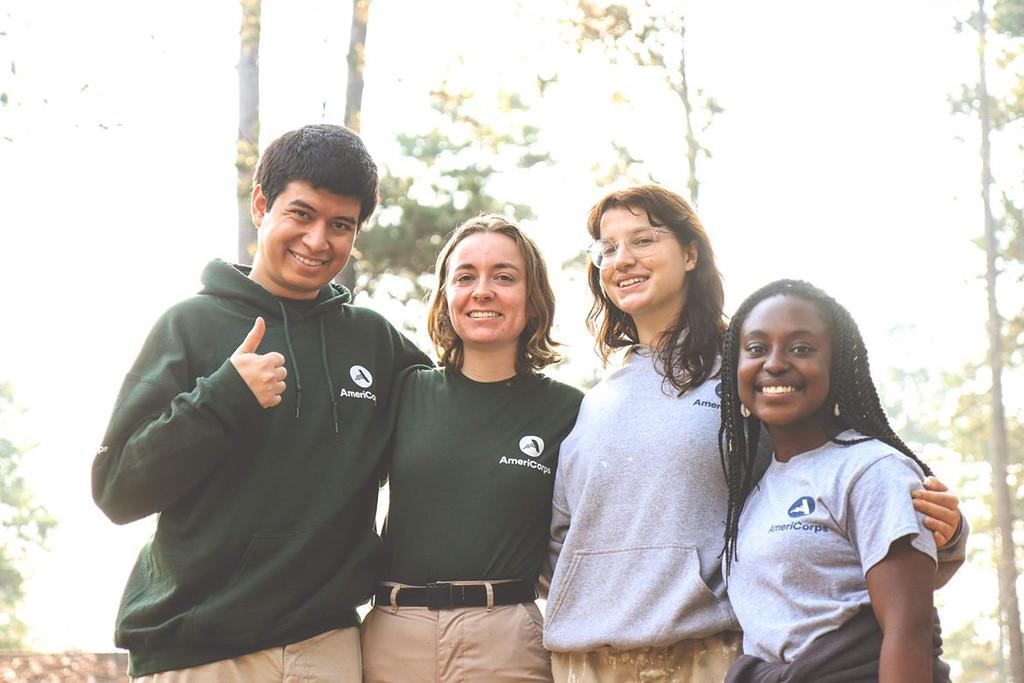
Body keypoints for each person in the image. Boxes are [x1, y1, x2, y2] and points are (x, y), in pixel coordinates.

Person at [543, 185, 966, 683]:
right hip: (589, 658)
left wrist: (948, 532)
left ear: (690, 252)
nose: (623, 260)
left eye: (643, 239)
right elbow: (566, 535)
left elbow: (841, 472)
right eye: (608, 248)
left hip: (708, 653)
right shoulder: (595, 397)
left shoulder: (753, 372)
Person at [92, 124, 430, 681]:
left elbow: (461, 424)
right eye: (302, 214)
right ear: (260, 205)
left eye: (340, 225)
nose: (318, 241)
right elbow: (117, 490)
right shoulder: (190, 325)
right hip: (198, 651)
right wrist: (221, 400)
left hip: (327, 646)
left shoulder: (374, 341)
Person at [360, 215, 583, 682]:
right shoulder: (404, 391)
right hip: (395, 636)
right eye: (465, 277)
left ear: (533, 297)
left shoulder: (569, 411)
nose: (483, 291)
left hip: (506, 640)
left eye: (504, 276)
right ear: (445, 296)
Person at [719, 279, 950, 682]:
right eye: (756, 348)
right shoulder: (757, 489)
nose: (774, 363)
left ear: (837, 365)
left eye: (801, 348)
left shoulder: (873, 469)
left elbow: (908, 631)